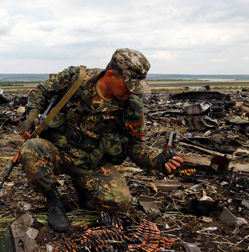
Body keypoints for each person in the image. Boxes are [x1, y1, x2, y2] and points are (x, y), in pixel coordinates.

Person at [19, 48, 183, 232]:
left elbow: (136, 147)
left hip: (92, 164)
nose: (132, 92)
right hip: (59, 152)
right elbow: (41, 92)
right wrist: (33, 115)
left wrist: (157, 161)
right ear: (111, 75)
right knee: (30, 148)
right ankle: (54, 201)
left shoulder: (132, 106)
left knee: (120, 202)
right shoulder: (76, 78)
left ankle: (82, 188)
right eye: (128, 86)